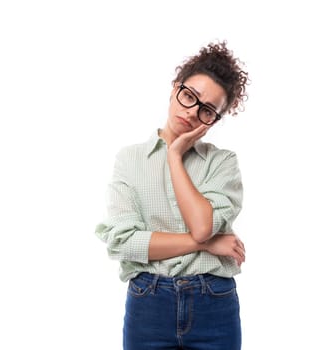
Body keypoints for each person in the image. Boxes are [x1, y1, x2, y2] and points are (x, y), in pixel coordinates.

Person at [95, 40, 249, 350]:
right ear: (175, 87)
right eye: (189, 96)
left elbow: (202, 226)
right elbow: (125, 242)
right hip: (148, 303)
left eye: (207, 111)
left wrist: (175, 155)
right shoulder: (130, 160)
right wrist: (206, 245)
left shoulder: (222, 163)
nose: (192, 112)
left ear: (215, 120)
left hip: (214, 302)